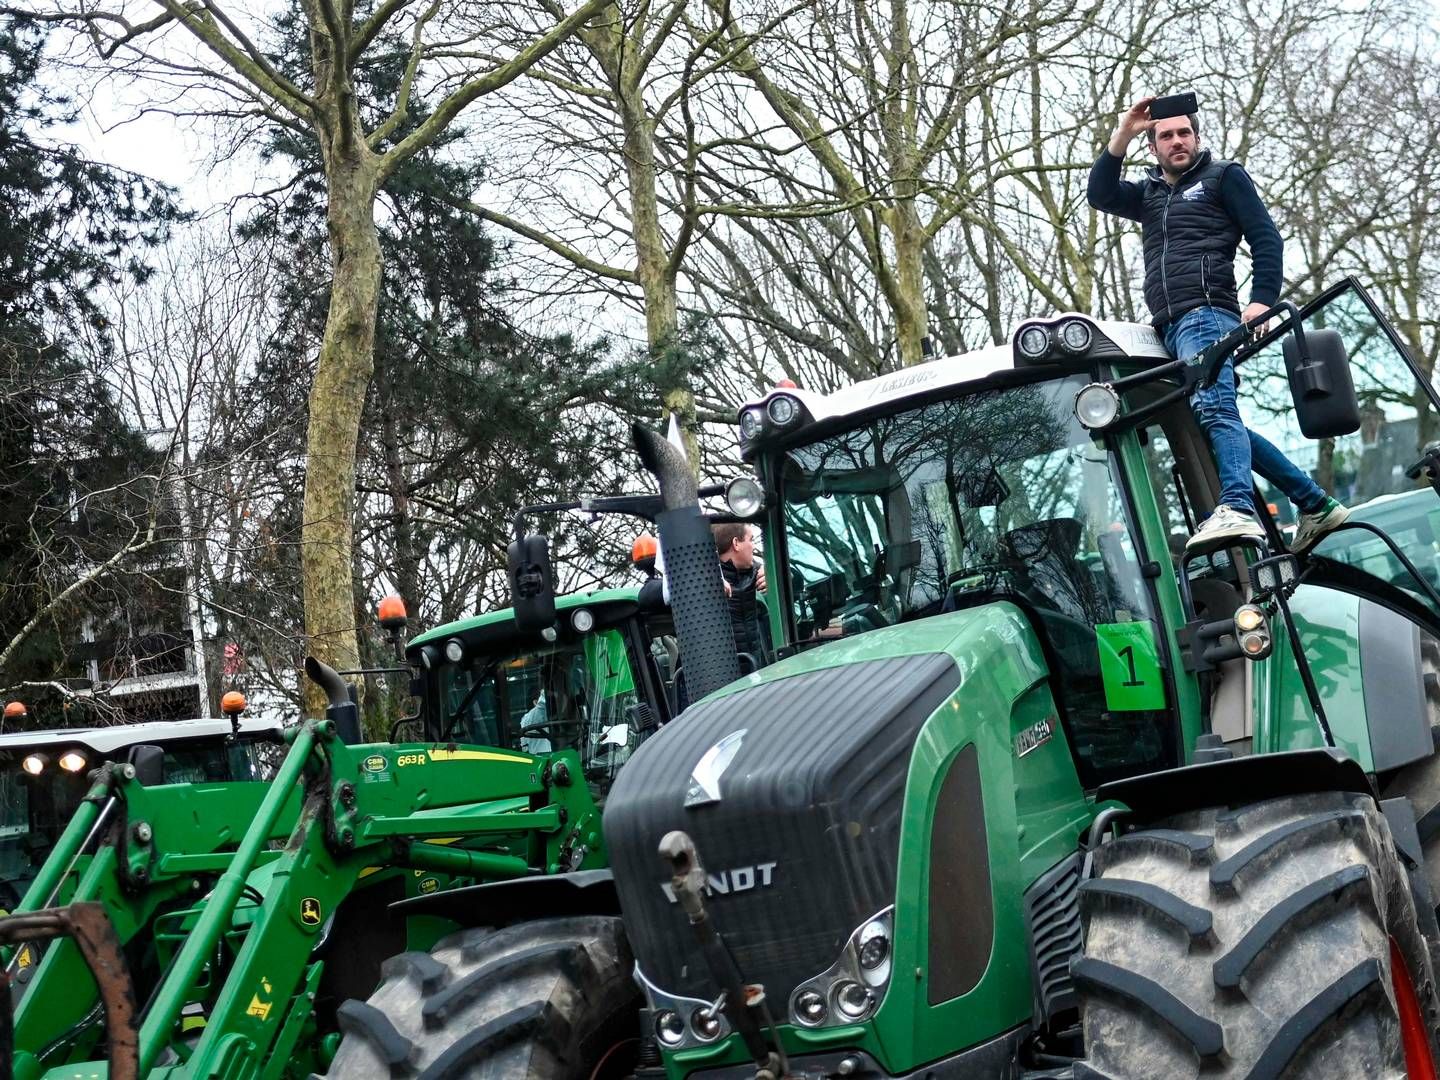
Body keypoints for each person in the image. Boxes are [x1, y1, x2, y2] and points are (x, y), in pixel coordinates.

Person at [1087, 96, 1349, 553]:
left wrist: (1261, 300)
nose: (1177, 141)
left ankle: (1237, 507)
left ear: (1197, 137)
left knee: (1214, 409)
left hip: (1207, 313)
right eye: (1166, 135)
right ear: (1153, 147)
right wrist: (1124, 132)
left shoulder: (1222, 178)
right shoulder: (1148, 195)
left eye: (1184, 132)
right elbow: (1101, 194)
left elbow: (1266, 236)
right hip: (1168, 326)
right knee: (1214, 416)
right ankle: (1315, 504)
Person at [712, 523, 771, 666]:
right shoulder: (707, 579)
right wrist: (708, 582)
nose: (754, 547)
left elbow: (793, 580)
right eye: (750, 540)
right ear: (736, 544)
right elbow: (650, 595)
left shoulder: (757, 572)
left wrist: (774, 574)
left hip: (759, 671)